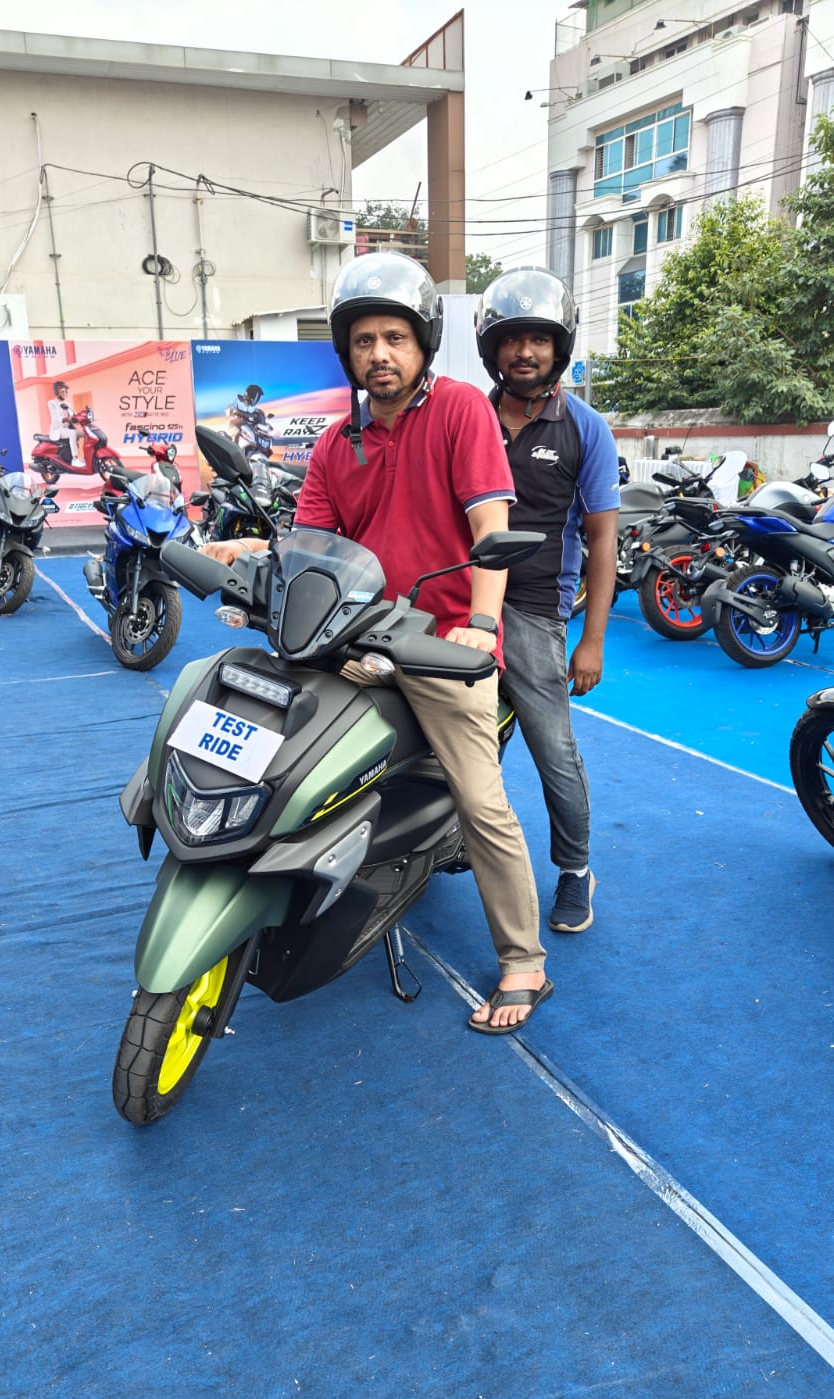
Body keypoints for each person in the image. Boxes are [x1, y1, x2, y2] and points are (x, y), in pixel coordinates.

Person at [204, 252, 551, 1034]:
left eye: (395, 337)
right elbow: (312, 542)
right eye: (364, 341)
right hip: (350, 631)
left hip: (440, 640)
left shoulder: (460, 412)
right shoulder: (337, 442)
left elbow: (490, 527)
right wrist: (257, 567)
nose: (380, 354)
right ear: (347, 352)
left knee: (481, 800)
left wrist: (481, 625)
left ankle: (524, 962)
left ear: (422, 344)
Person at [474, 266, 620, 934]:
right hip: (463, 604)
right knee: (442, 740)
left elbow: (602, 539)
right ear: (492, 347)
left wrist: (591, 641)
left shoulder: (585, 428)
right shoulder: (468, 417)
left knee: (553, 752)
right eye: (512, 338)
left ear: (559, 347)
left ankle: (575, 870)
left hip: (535, 610)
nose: (524, 352)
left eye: (538, 339)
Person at [47, 380, 85, 467]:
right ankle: (75, 459)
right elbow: (56, 418)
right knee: (72, 433)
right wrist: (65, 419)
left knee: (85, 433)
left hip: (67, 429)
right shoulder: (52, 403)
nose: (65, 393)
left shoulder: (67, 404)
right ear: (57, 392)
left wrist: (83, 416)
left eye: (66, 392)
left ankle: (87, 456)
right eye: (63, 391)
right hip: (58, 430)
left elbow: (75, 414)